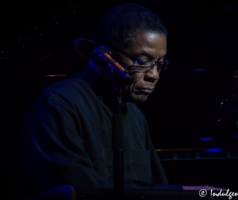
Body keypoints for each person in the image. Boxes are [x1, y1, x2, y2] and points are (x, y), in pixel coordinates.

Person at [15, 3, 221, 199]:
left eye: (160, 63)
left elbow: (155, 188)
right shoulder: (57, 107)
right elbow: (80, 192)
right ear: (105, 55)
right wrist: (185, 191)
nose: (155, 75)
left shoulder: (134, 114)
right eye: (143, 61)